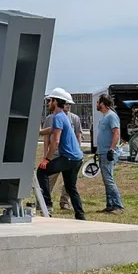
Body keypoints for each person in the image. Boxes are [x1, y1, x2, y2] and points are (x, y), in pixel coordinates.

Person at [36, 87, 86, 220]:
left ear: (56, 101)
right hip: (77, 158)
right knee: (70, 187)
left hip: (68, 158)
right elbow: (52, 130)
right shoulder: (62, 116)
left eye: (50, 100)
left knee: (42, 171)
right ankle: (80, 215)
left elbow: (56, 141)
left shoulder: (58, 116)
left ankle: (47, 205)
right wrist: (39, 132)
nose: (48, 103)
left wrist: (47, 159)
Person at [93, 94, 124, 213]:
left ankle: (118, 205)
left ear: (102, 103)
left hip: (108, 152)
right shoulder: (104, 117)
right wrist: (97, 151)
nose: (97, 104)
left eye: (98, 102)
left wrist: (111, 149)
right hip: (102, 152)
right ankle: (110, 205)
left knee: (109, 179)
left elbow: (116, 133)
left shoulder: (111, 116)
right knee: (106, 180)